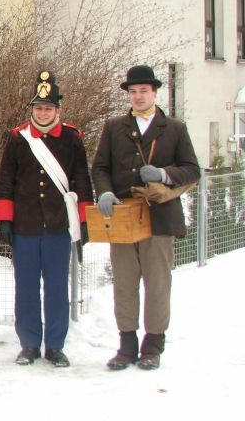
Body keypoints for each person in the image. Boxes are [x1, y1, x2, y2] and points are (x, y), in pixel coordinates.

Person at [92, 65, 199, 371]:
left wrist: (164, 174)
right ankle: (126, 345)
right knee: (124, 281)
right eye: (133, 91)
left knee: (157, 282)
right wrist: (105, 192)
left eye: (143, 91)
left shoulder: (174, 128)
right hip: (124, 215)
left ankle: (153, 345)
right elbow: (100, 167)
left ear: (154, 92)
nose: (138, 96)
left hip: (160, 215)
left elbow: (192, 169)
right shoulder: (114, 127)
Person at [0, 72, 93, 367]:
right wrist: (4, 220)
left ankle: (55, 346)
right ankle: (29, 344)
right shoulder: (18, 138)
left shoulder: (72, 139)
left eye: (48, 108)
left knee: (57, 289)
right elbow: (5, 181)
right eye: (38, 108)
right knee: (25, 288)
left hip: (57, 225)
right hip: (25, 225)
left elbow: (82, 182)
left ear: (57, 110)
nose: (42, 113)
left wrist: (85, 221)